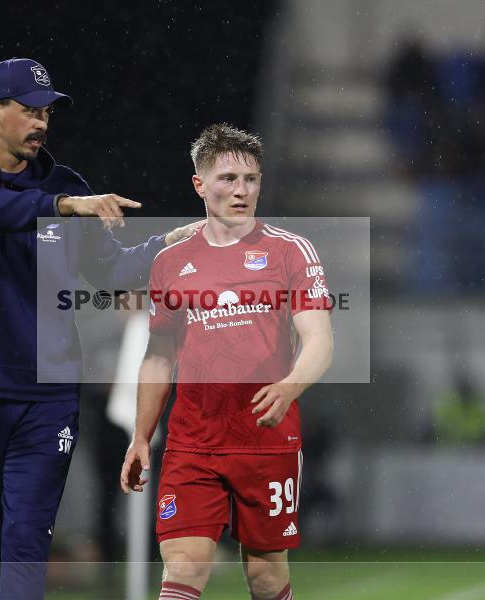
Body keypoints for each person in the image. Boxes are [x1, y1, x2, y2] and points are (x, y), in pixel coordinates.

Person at [0, 57, 196, 600]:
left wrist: (165, 246)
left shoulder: (66, 185)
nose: (41, 122)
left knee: (25, 552)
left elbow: (111, 270)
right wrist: (61, 206)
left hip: (48, 396)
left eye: (46, 112)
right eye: (29, 111)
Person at [120, 124, 334, 600]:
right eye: (229, 179)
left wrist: (290, 386)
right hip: (193, 441)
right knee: (184, 566)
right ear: (199, 185)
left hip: (266, 439)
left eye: (251, 179)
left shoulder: (290, 251)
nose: (242, 191)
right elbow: (158, 356)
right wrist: (141, 435)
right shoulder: (170, 262)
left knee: (265, 578)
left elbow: (320, 340)